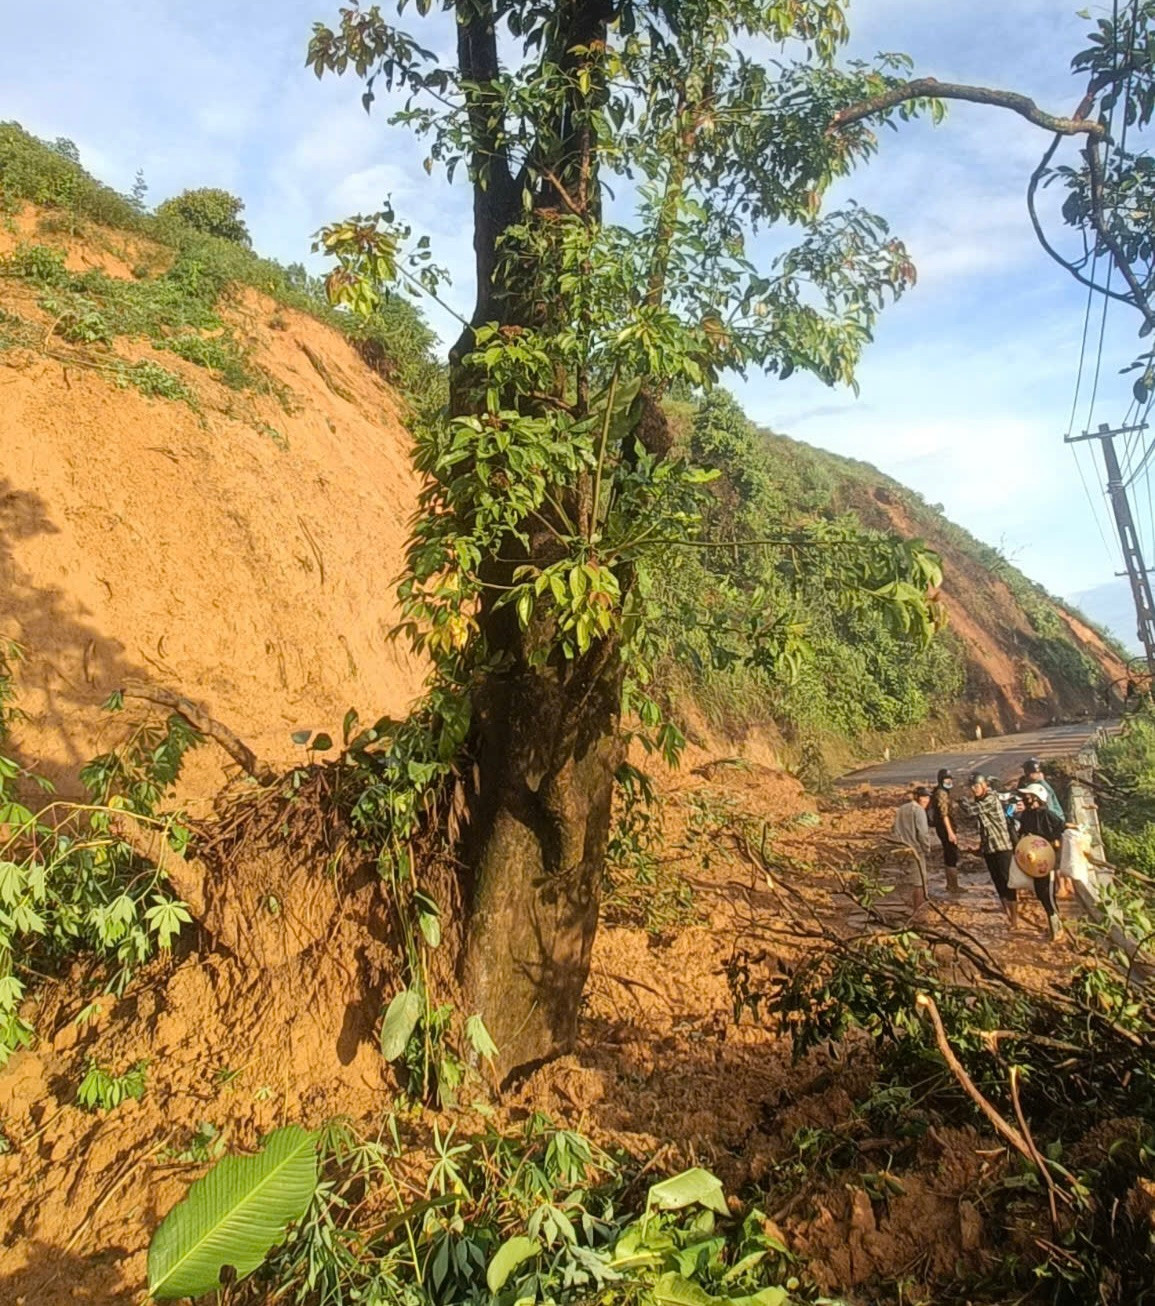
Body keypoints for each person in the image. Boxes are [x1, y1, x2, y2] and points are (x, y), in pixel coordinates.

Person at [961, 773, 1018, 927]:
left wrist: (960, 800)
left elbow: (971, 811)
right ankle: (1007, 914)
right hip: (989, 847)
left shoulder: (991, 799)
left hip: (1002, 846)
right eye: (972, 787)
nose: (974, 789)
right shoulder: (980, 800)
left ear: (984, 785)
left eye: (976, 786)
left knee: (1008, 882)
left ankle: (1014, 918)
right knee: (998, 881)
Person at [1014, 783, 1064, 941]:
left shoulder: (1047, 814)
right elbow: (1022, 834)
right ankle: (1054, 922)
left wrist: (1056, 840)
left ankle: (1057, 927)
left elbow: (1060, 827)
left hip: (1047, 859)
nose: (1026, 799)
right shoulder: (1027, 815)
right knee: (1041, 893)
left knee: (1047, 893)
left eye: (1029, 796)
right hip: (1034, 859)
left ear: (1037, 798)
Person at [890, 786, 933, 913]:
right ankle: (918, 911)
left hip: (902, 848)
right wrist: (926, 849)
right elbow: (923, 833)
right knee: (919, 882)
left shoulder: (902, 809)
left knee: (909, 880)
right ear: (917, 797)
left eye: (927, 797)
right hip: (915, 849)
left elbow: (894, 829)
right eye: (923, 797)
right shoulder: (919, 811)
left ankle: (913, 907)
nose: (926, 800)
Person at [929, 768, 962, 893]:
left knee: (950, 854)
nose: (949, 782)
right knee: (951, 855)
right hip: (945, 828)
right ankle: (953, 885)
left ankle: (952, 884)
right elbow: (944, 815)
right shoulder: (941, 793)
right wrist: (950, 832)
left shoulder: (940, 791)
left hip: (944, 827)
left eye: (950, 779)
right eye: (946, 779)